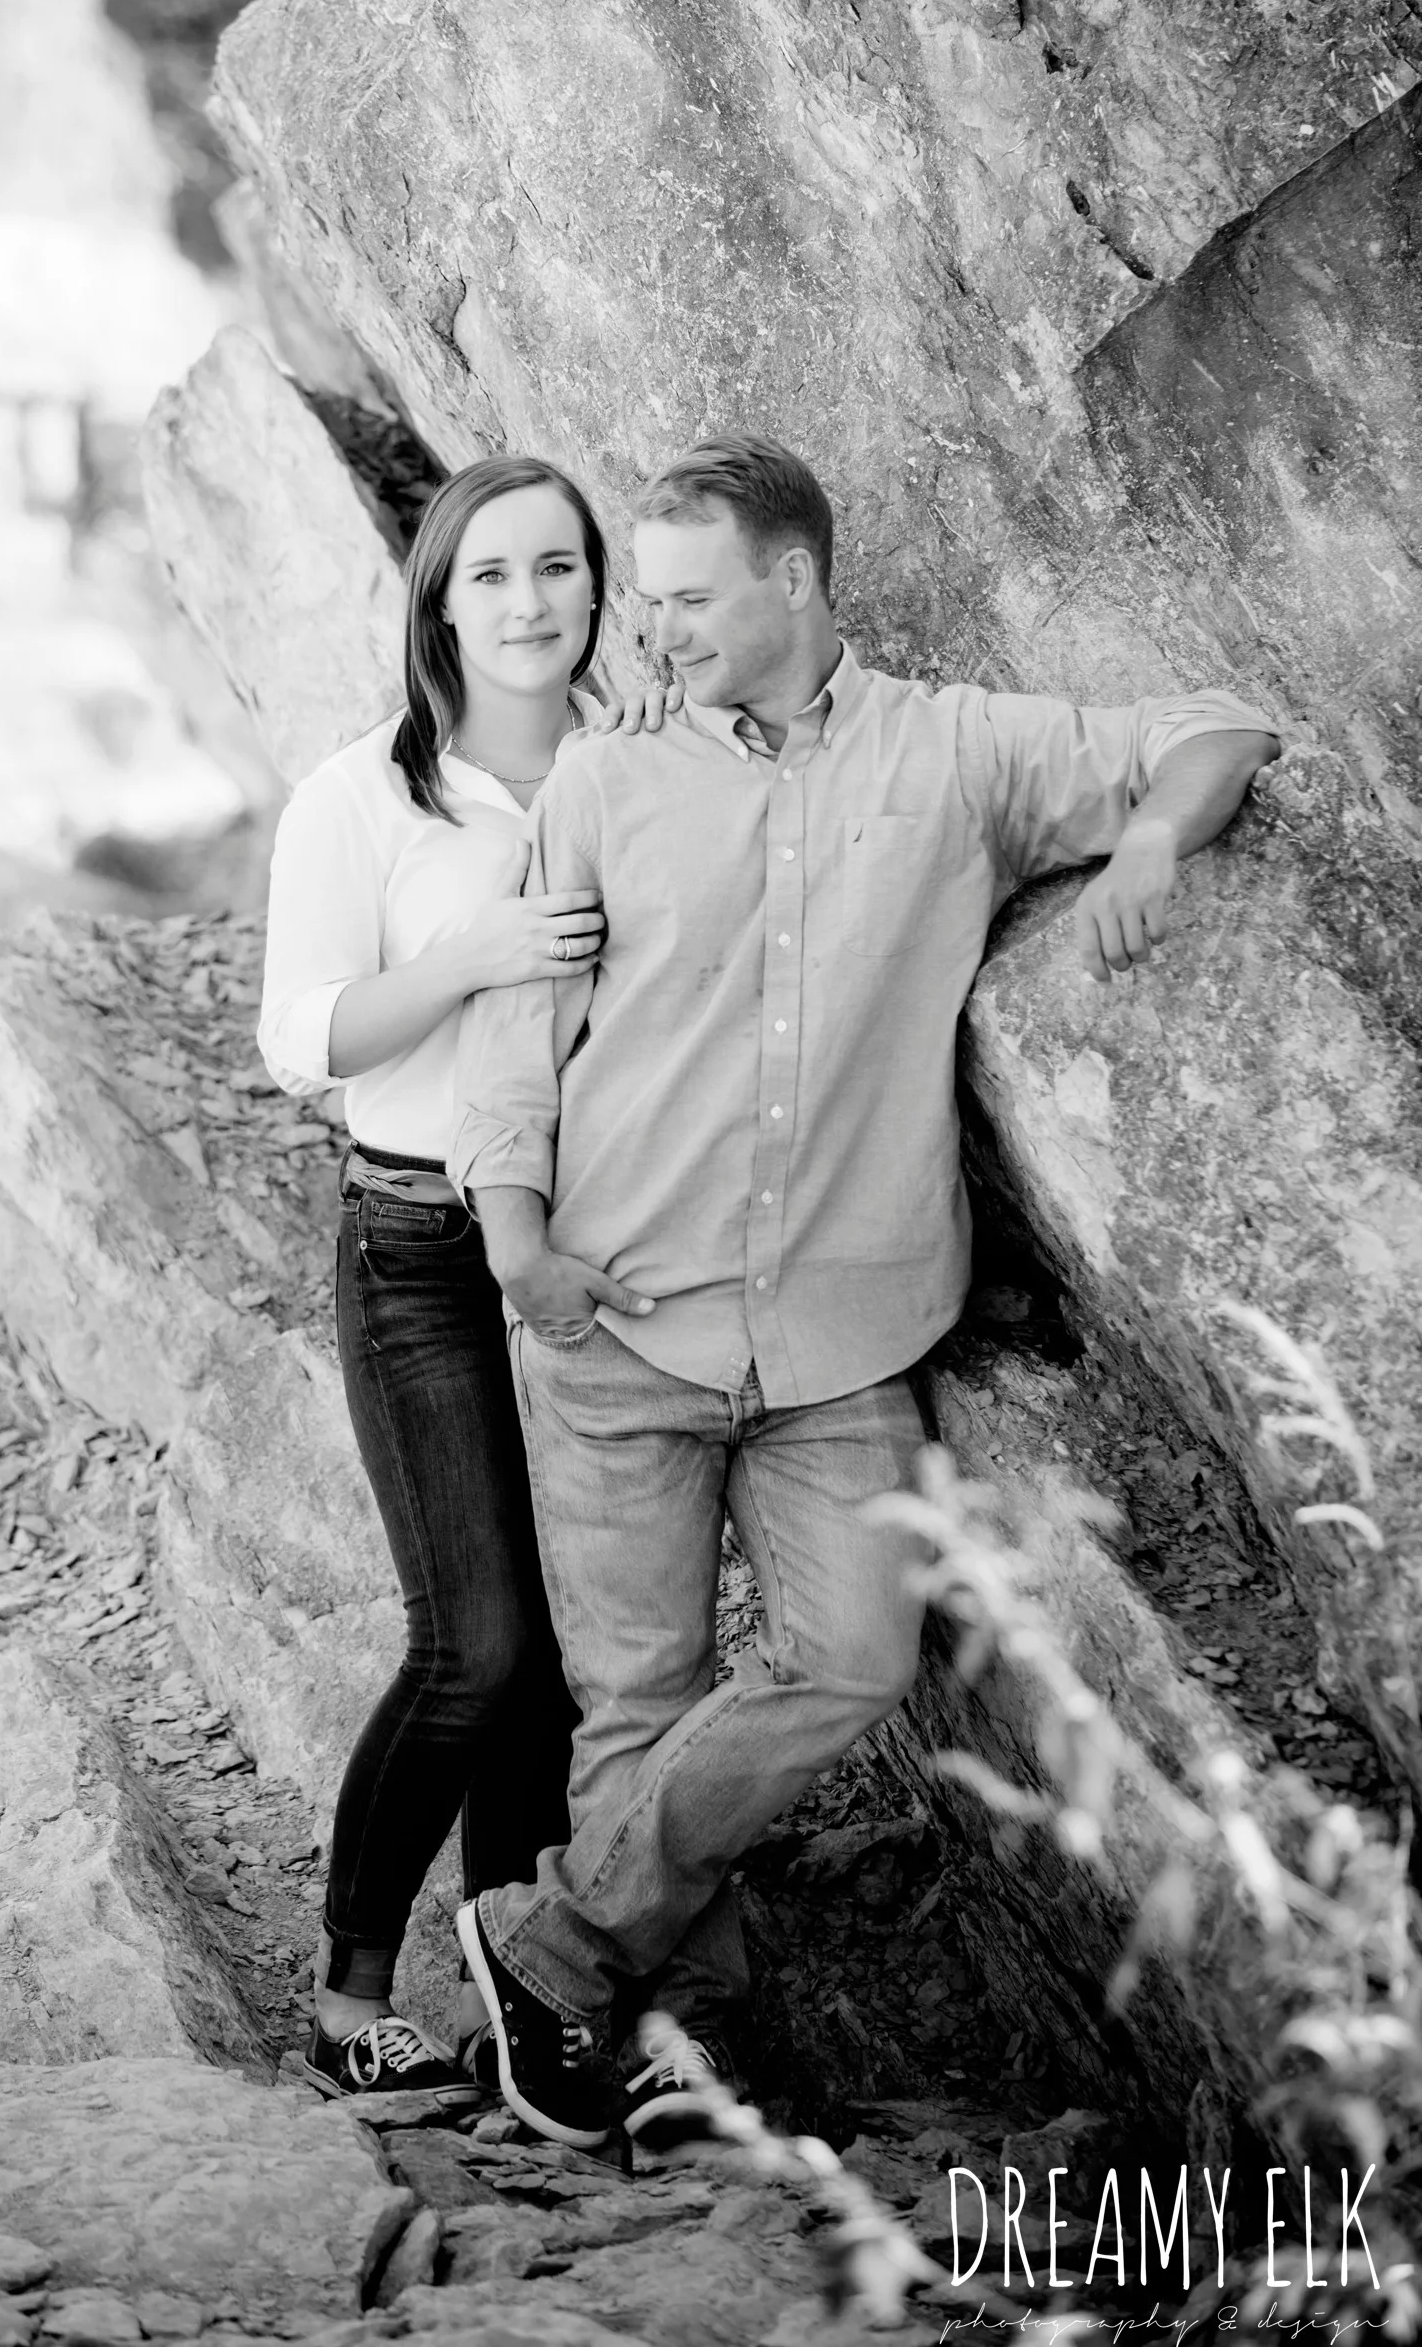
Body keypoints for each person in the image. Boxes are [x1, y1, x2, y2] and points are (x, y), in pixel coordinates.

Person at [448, 434, 1281, 2151]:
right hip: (618, 1318)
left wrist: (1146, 850)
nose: (648, 627)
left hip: (841, 1344)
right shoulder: (604, 786)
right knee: (642, 1699)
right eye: (645, 597)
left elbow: (1214, 728)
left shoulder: (956, 754)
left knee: (855, 1652)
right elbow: (516, 1036)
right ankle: (670, 2047)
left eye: (684, 598)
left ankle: (558, 1944)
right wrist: (519, 1242)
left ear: (795, 581)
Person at [258, 450, 675, 2097]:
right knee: (477, 1644)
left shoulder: (640, 771)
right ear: (439, 599)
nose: (529, 602)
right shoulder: (360, 796)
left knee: (570, 1661)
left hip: (582, 1249)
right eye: (492, 573)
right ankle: (351, 1993)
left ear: (597, 595)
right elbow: (304, 1039)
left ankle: (529, 2003)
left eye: (559, 569)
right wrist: (468, 960)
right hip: (421, 1245)